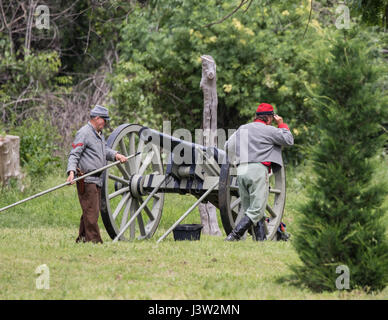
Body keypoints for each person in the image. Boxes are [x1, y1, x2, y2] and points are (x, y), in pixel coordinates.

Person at [224, 103, 294, 241]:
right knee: (256, 210)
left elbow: (227, 146)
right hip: (257, 171)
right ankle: (233, 236)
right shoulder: (269, 130)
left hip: (241, 171)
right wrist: (281, 124)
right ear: (269, 118)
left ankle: (260, 242)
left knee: (253, 208)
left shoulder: (242, 129)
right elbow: (289, 140)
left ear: (256, 116)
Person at [66, 105, 127, 243]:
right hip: (86, 179)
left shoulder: (99, 134)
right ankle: (94, 241)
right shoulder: (84, 133)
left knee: (90, 210)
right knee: (91, 212)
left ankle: (82, 238)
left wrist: (116, 155)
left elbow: (104, 150)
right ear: (97, 118)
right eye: (104, 120)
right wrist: (71, 173)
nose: (105, 123)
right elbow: (74, 154)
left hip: (97, 180)